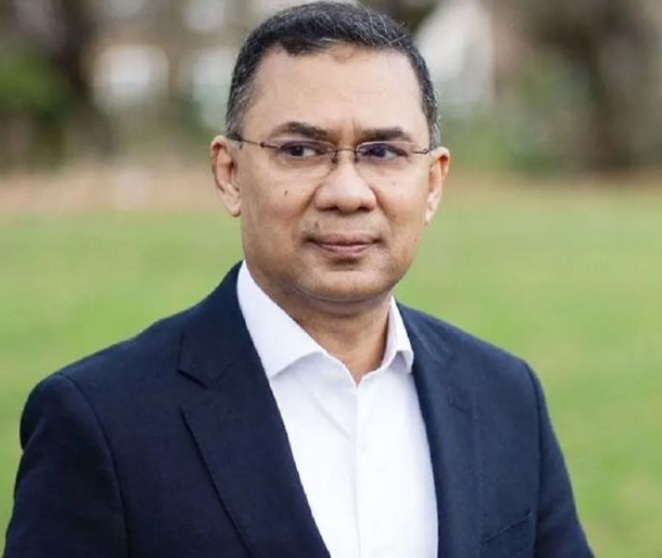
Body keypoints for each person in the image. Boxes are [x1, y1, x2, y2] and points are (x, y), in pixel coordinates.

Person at [4, 2, 594, 558]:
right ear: (230, 173)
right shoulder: (102, 422)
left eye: (383, 152)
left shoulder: (505, 397)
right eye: (302, 150)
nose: (347, 192)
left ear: (433, 182)